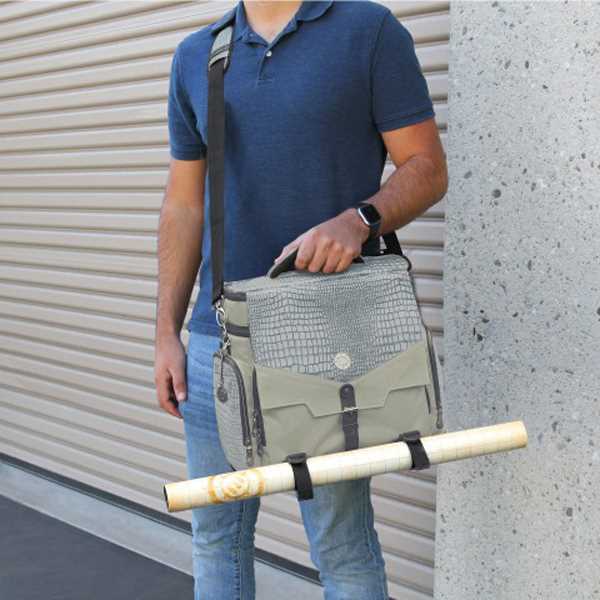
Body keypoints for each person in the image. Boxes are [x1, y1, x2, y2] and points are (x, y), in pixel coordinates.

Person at [154, 1, 447, 598]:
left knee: (342, 548)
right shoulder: (196, 56)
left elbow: (426, 167)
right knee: (216, 540)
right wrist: (166, 333)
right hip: (218, 342)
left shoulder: (367, 31)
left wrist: (360, 221)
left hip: (328, 341)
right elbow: (184, 204)